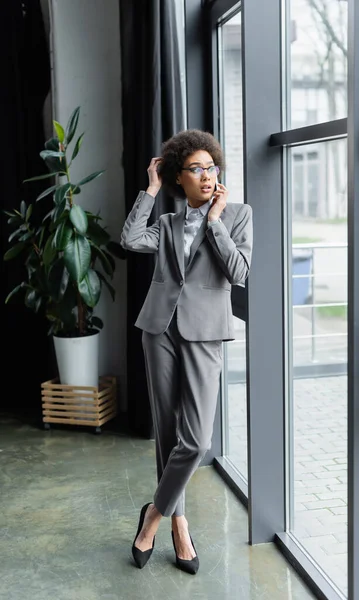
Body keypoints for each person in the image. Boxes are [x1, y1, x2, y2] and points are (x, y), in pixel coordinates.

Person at [120, 129, 253, 574]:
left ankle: (152, 516)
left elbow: (238, 273)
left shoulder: (238, 214)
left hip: (205, 333)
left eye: (210, 167)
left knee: (195, 440)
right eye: (195, 169)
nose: (205, 175)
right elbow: (130, 239)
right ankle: (180, 523)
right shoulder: (169, 223)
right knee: (167, 430)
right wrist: (151, 189)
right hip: (159, 329)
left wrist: (215, 221)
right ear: (181, 177)